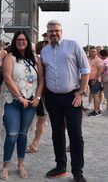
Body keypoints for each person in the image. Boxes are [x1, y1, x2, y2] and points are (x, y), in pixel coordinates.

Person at [41, 20, 90, 182]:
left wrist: (81, 93)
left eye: (56, 30)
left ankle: (77, 172)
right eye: (50, 31)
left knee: (75, 134)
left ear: (61, 31)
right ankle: (60, 166)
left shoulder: (73, 45)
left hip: (72, 97)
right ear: (47, 33)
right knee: (57, 133)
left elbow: (85, 69)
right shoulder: (45, 51)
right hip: (52, 98)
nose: (53, 33)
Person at [0, 30, 44, 180]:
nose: (21, 42)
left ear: (28, 41)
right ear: (14, 42)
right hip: (12, 101)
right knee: (12, 134)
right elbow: (7, 77)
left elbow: (41, 79)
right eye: (18, 40)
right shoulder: (9, 57)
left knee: (23, 134)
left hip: (31, 103)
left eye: (23, 40)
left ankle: (20, 165)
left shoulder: (36, 59)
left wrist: (37, 96)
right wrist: (19, 97)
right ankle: (6, 167)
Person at [26, 40, 48, 153]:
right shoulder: (37, 59)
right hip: (36, 93)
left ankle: (35, 143)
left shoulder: (40, 59)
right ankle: (34, 142)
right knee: (40, 119)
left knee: (42, 119)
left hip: (46, 93)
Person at [87, 46, 104, 117]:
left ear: (96, 52)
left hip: (95, 80)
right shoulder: (89, 59)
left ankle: (96, 111)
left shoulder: (98, 60)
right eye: (91, 51)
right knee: (94, 95)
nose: (93, 53)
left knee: (95, 95)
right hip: (90, 79)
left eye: (94, 51)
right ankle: (97, 110)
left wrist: (96, 78)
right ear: (89, 52)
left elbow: (101, 69)